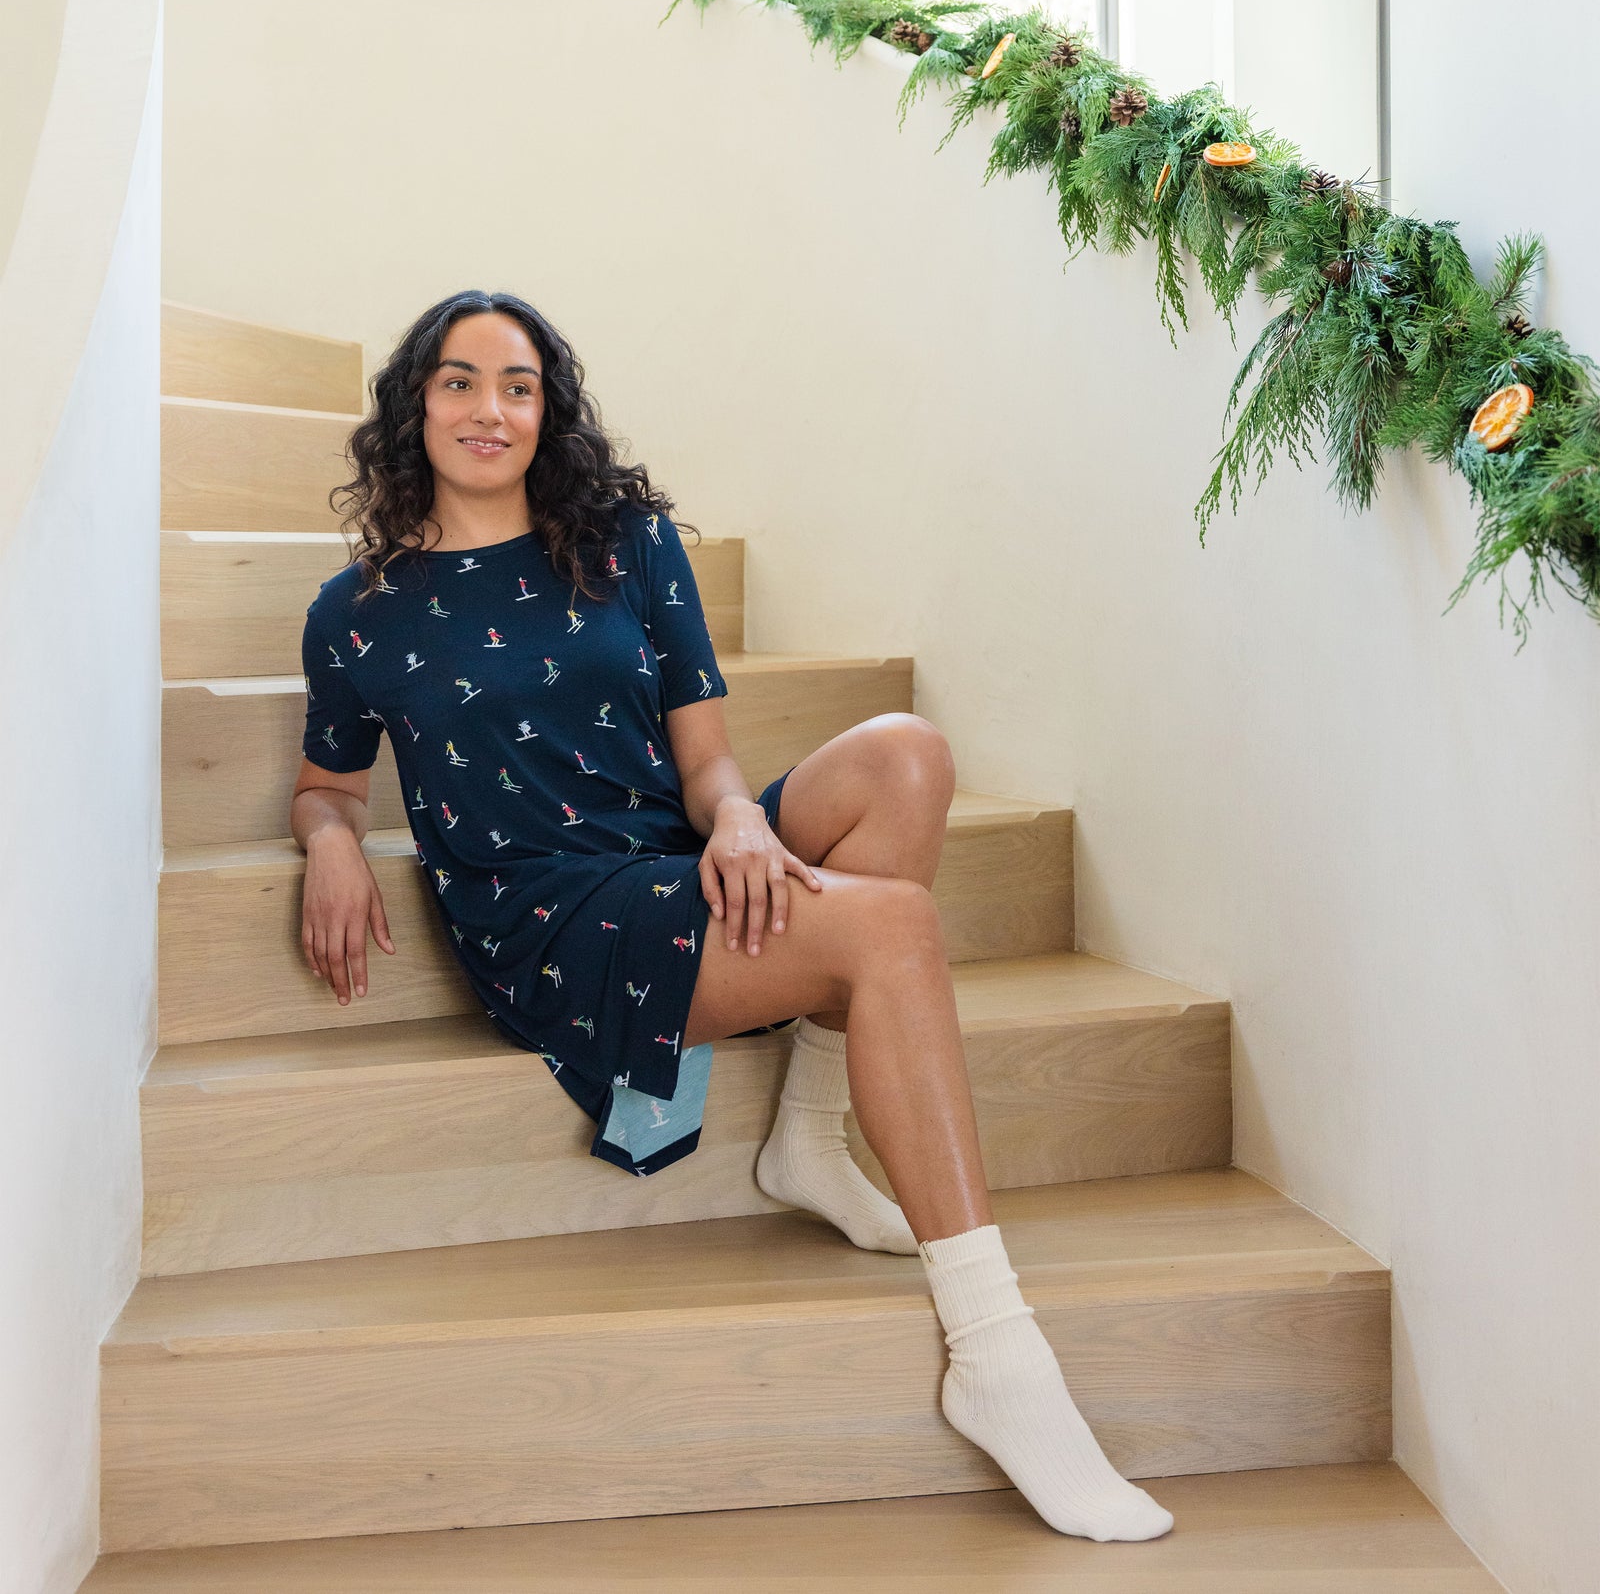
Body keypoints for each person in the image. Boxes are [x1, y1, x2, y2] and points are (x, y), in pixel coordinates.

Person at [290, 288, 1172, 1546]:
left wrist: (744, 821)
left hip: (669, 852)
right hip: (546, 917)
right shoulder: (359, 612)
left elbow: (704, 761)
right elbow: (325, 785)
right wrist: (333, 841)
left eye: (520, 385)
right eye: (460, 380)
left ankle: (808, 1137)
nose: (491, 409)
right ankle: (996, 1349)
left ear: (551, 410)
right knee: (892, 930)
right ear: (412, 403)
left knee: (906, 755)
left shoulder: (623, 542)